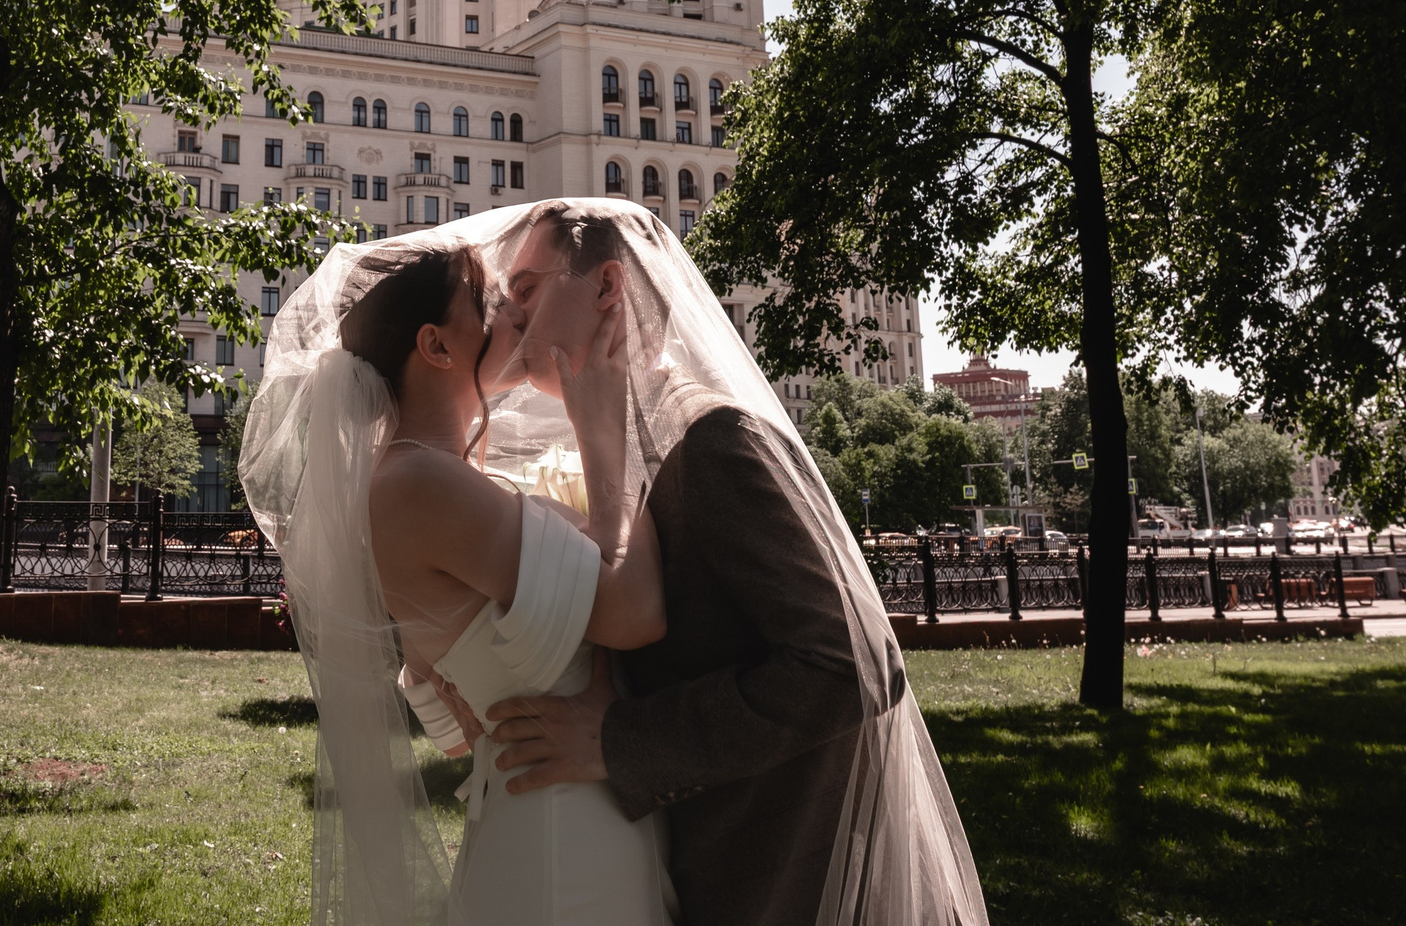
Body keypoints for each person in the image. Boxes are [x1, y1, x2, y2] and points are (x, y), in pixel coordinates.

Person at [240, 201, 984, 926]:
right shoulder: (553, 458)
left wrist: (619, 740)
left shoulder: (714, 436)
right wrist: (444, 659)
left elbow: (855, 661)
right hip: (600, 848)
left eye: (525, 289)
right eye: (497, 297)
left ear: (606, 287)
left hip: (779, 866)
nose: (512, 314)